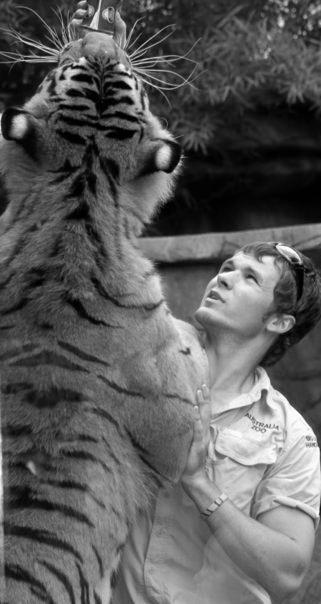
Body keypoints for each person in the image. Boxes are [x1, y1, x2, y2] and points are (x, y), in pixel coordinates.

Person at [111, 241, 321, 604]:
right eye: (227, 267)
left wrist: (198, 481)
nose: (223, 278)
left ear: (279, 321)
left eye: (250, 278)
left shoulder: (292, 437)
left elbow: (288, 575)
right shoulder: (141, 356)